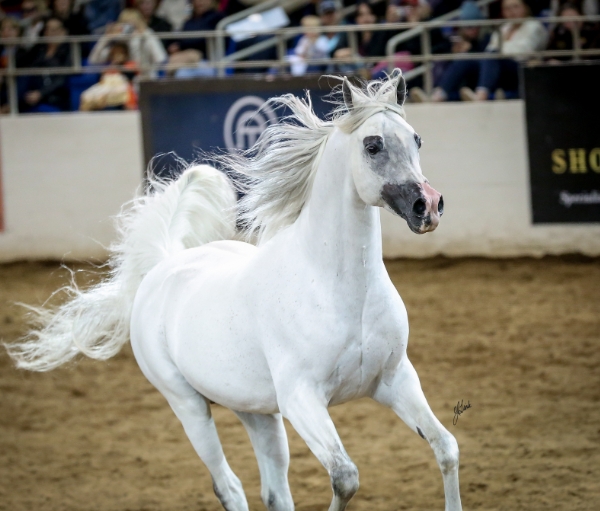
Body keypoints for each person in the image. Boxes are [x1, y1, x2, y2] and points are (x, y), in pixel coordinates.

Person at [460, 0, 548, 101]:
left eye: (515, 7)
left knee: (493, 55)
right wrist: (501, 49)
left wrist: (502, 47)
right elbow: (490, 49)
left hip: (522, 68)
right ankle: (440, 94)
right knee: (465, 60)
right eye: (507, 8)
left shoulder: (534, 27)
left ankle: (481, 96)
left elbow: (523, 52)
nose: (511, 11)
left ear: (525, 8)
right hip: (502, 67)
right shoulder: (504, 28)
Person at [410, 1, 490, 102]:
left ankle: (438, 95)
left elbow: (487, 60)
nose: (472, 30)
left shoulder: (485, 39)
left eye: (475, 26)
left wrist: (470, 50)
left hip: (475, 77)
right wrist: (452, 51)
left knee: (463, 61)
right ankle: (431, 92)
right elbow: (434, 50)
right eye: (468, 26)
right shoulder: (453, 40)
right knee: (439, 61)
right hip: (456, 80)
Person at [88, 9, 167, 75]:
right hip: (120, 83)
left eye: (132, 26)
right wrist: (106, 38)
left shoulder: (146, 36)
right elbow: (93, 60)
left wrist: (144, 34)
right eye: (125, 25)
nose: (129, 30)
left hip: (145, 80)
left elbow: (160, 58)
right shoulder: (117, 42)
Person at [20, 16, 71, 112]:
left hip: (55, 97)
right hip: (32, 96)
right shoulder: (39, 50)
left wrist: (40, 93)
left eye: (55, 29)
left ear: (63, 32)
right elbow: (25, 66)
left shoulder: (68, 51)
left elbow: (62, 79)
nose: (51, 33)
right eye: (48, 29)